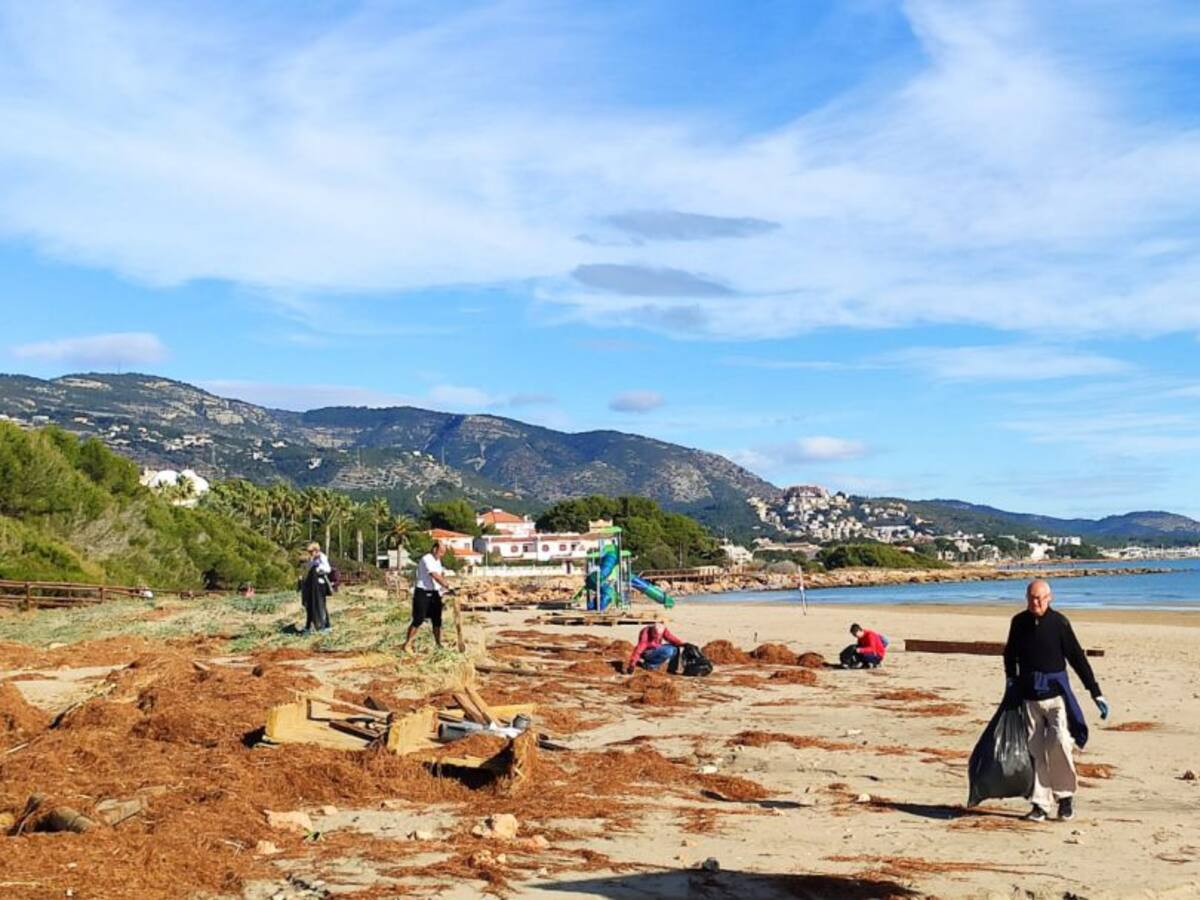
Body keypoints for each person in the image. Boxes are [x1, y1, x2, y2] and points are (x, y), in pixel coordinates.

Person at [1003, 579, 1109, 822]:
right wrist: (1010, 680)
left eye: (1041, 598)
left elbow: (1076, 657)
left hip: (1056, 697)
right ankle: (1040, 804)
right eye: (1032, 598)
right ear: (1026, 598)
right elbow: (1010, 654)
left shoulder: (1059, 622)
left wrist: (1095, 692)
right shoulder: (1018, 622)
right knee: (1035, 750)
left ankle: (1065, 797)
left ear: (1050, 598)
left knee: (1059, 743)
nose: (1036, 602)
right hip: (1029, 697)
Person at [401, 541, 453, 653]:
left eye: (444, 552)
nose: (442, 554)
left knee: (437, 620)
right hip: (422, 592)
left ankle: (438, 644)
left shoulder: (438, 561)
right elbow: (435, 575)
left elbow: (441, 575)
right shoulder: (427, 559)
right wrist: (448, 586)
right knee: (418, 619)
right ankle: (407, 644)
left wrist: (444, 590)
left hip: (434, 593)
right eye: (441, 552)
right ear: (434, 549)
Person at [300, 542, 333, 634]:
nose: (310, 554)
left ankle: (325, 625)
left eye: (311, 552)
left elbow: (328, 569)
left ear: (316, 550)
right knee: (311, 605)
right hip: (312, 585)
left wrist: (318, 569)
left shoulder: (322, 557)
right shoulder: (312, 559)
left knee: (320, 604)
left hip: (320, 584)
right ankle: (310, 626)